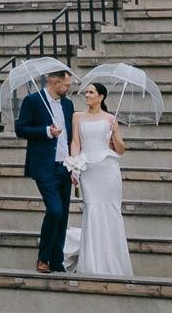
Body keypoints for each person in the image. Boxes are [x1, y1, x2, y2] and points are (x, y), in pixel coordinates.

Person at [14, 65, 76, 273]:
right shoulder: (33, 101)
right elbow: (20, 129)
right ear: (54, 82)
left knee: (63, 215)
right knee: (54, 211)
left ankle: (56, 261)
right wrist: (46, 131)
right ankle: (43, 258)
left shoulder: (68, 105)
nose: (69, 88)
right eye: (66, 85)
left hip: (65, 166)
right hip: (45, 166)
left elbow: (70, 136)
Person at [66, 80, 131, 277]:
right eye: (86, 92)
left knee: (110, 211)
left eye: (91, 92)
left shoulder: (110, 118)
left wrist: (115, 132)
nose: (86, 95)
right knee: (92, 210)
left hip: (107, 169)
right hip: (88, 170)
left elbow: (120, 149)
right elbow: (75, 142)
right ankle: (93, 264)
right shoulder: (77, 116)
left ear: (100, 97)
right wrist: (74, 167)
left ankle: (113, 264)